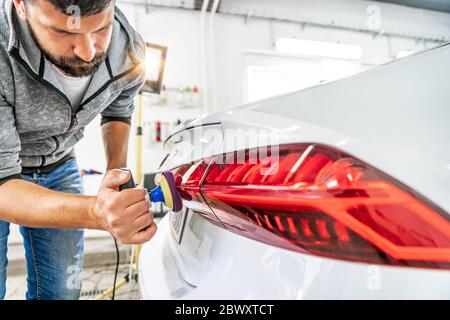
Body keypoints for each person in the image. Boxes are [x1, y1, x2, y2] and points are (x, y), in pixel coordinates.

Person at [0, 0, 156, 300]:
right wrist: (95, 212)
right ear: (20, 5)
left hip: (60, 165)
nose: (88, 52)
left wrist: (116, 174)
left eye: (101, 28)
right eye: (62, 31)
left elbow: (118, 109)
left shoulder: (128, 50)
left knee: (62, 292)